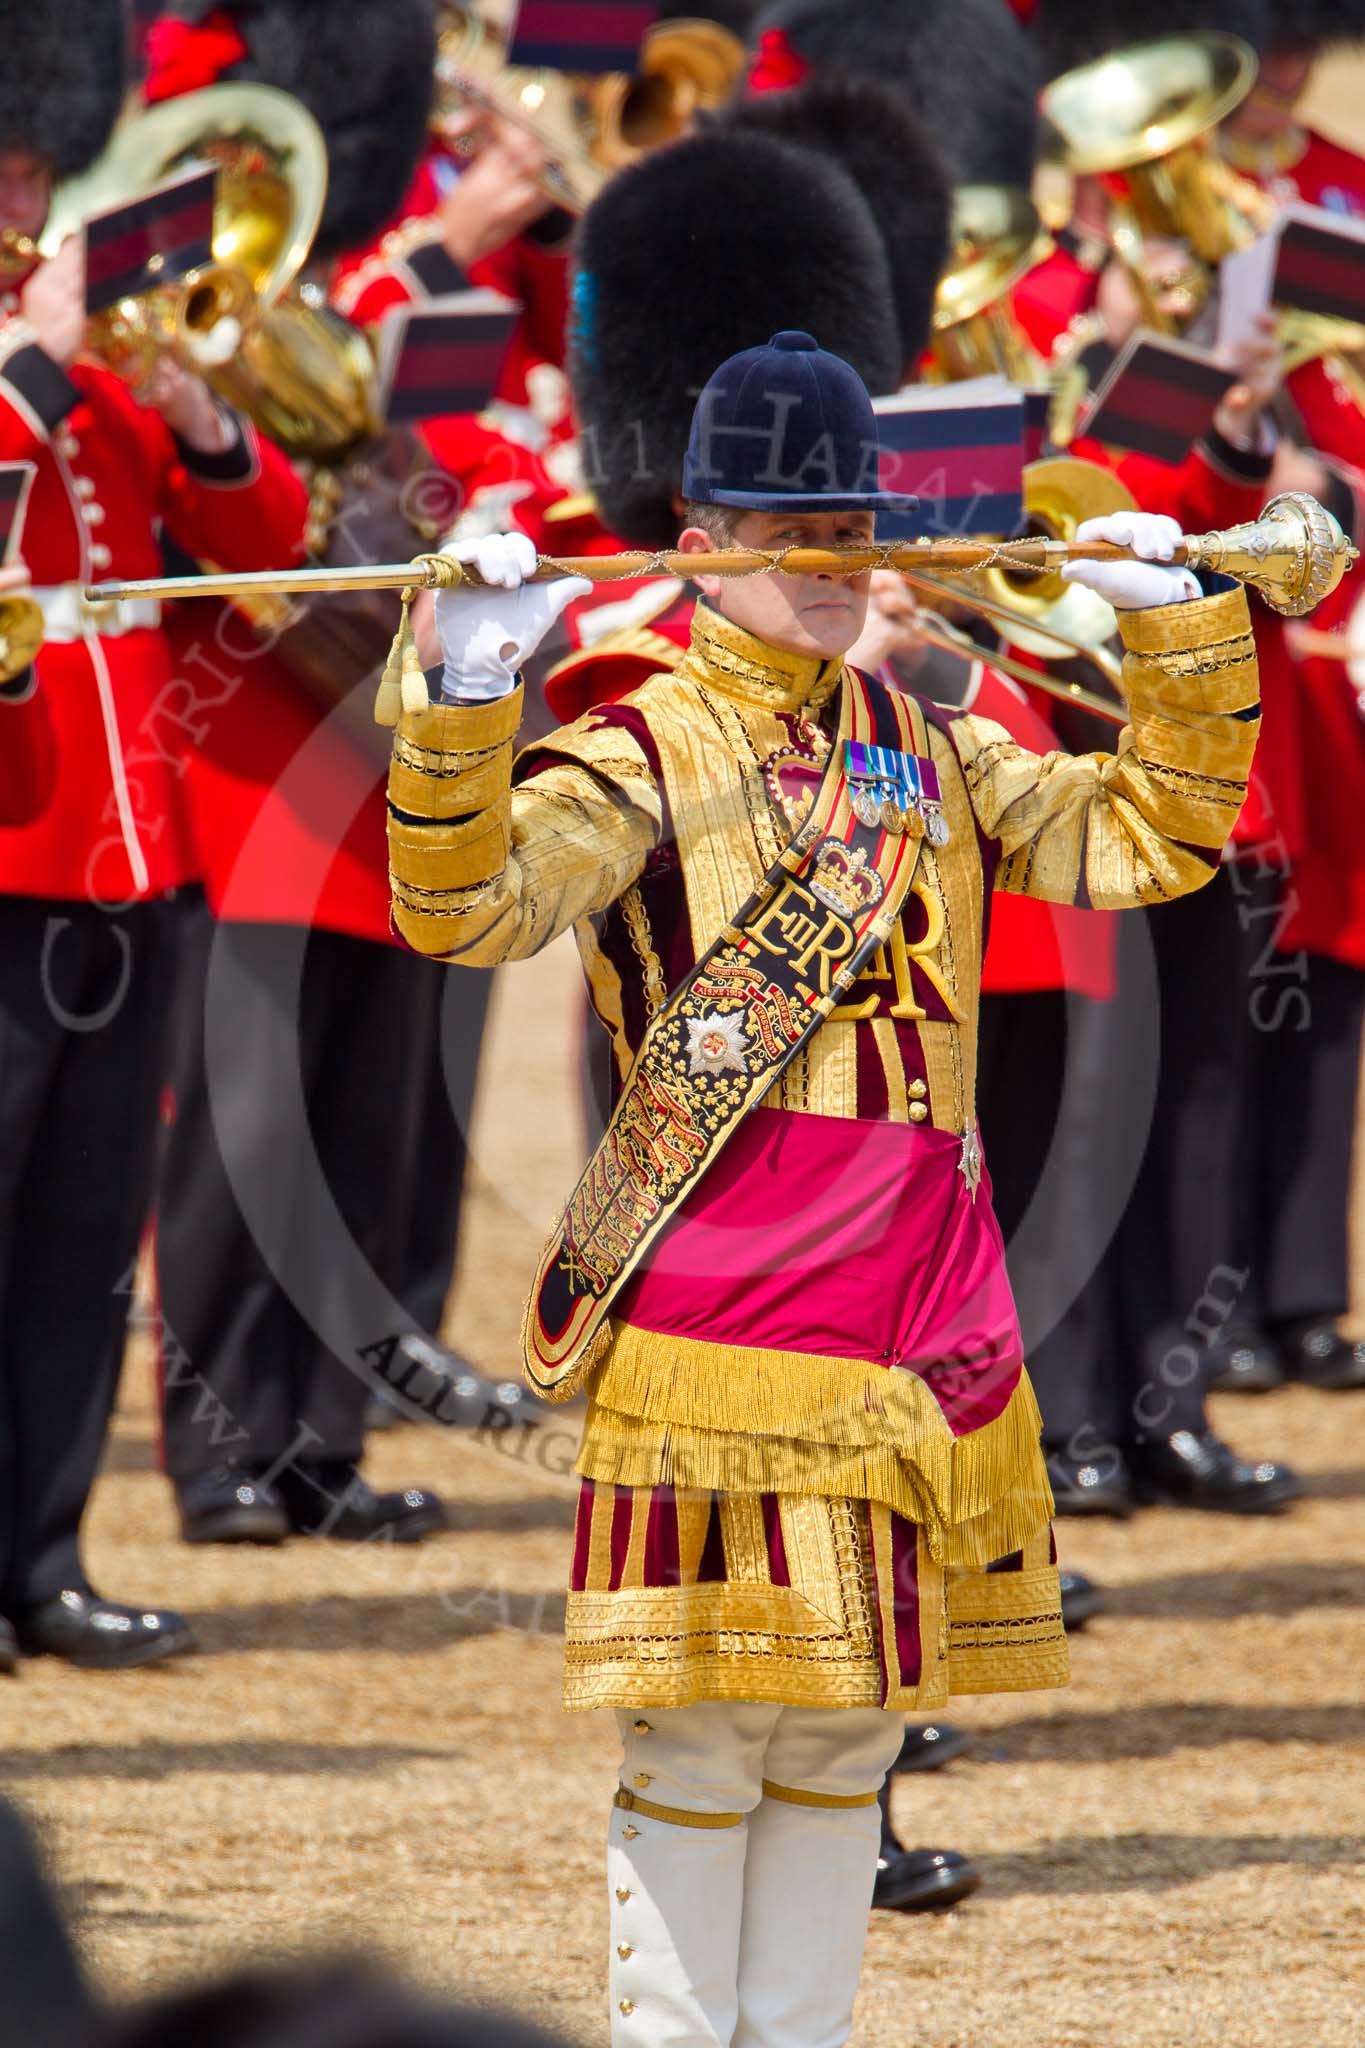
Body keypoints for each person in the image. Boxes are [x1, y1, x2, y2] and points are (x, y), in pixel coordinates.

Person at [384, 326, 1264, 2044]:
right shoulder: (637, 746)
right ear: (699, 539)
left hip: (913, 1305)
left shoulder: (924, 744)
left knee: (851, 1730)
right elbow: (463, 911)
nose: (829, 566)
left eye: (849, 530)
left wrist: (1169, 634)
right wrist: (466, 703)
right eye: (789, 535)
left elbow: (1146, 838)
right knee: (705, 1728)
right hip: (723, 1296)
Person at [0, 0, 309, 1668]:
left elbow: (259, 544)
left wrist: (193, 405)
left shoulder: (98, 365)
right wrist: (40, 360)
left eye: (39, 165)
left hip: (125, 859)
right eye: (11, 167)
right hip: (8, 848)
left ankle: (39, 1558)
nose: (30, 200)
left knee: (75, 1243)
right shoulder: (31, 364)